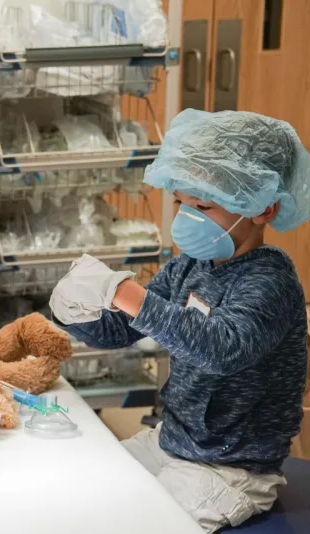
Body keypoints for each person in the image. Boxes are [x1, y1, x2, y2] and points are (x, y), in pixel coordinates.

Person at [49, 109, 310, 533]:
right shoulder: (192, 264)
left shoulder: (270, 281)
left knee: (140, 523)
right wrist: (79, 313)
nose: (185, 217)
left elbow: (219, 348)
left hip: (231, 468)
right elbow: (127, 329)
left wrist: (125, 292)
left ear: (263, 208)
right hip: (172, 442)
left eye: (202, 205)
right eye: (181, 203)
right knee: (88, 492)